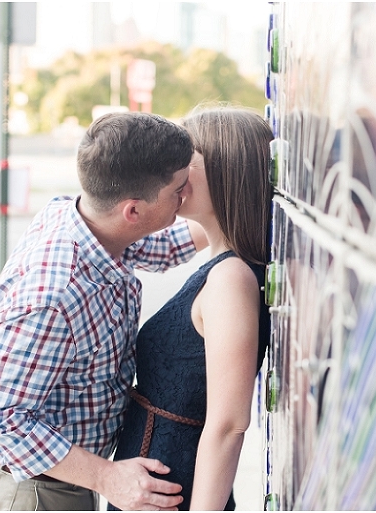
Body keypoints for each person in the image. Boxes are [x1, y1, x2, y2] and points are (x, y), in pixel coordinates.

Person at [0, 112, 209, 511]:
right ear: (133, 211)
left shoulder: (90, 221)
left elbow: (159, 247)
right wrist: (106, 477)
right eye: (178, 189)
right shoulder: (54, 294)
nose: (185, 195)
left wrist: (233, 214)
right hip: (25, 494)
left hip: (60, 482)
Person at [109, 106, 274, 510]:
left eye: (185, 160)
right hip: (154, 488)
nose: (172, 170)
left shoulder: (230, 278)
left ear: (224, 171)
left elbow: (229, 425)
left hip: (174, 494)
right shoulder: (222, 263)